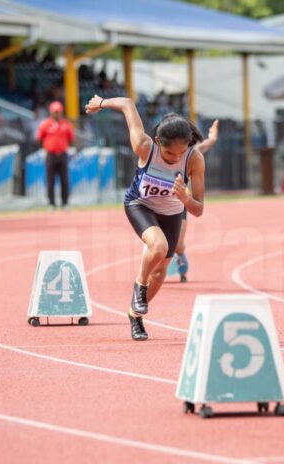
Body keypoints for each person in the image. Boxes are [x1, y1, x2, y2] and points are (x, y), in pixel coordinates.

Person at [85, 94, 206, 341]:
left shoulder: (194, 159)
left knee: (160, 273)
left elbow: (198, 209)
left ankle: (135, 315)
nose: (175, 159)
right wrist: (100, 103)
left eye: (180, 153)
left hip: (172, 212)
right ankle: (139, 285)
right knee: (158, 246)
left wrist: (185, 198)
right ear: (158, 141)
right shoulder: (144, 146)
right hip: (140, 204)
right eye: (170, 154)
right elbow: (128, 103)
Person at [172, 120, 219, 282]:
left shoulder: (191, 154)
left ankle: (180, 251)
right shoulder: (159, 152)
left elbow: (203, 146)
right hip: (159, 200)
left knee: (177, 243)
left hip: (180, 202)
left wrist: (212, 138)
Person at [36, 101, 74, 210]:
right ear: (51, 112)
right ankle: (51, 203)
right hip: (50, 155)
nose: (57, 114)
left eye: (58, 112)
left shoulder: (66, 124)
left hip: (62, 155)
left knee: (64, 180)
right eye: (55, 112)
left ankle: (65, 203)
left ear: (61, 112)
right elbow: (40, 138)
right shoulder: (45, 124)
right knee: (50, 180)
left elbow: (71, 138)